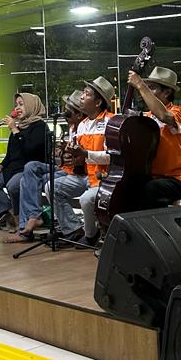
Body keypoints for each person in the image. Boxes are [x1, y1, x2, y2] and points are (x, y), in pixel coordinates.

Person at [6, 90, 87, 243]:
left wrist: (72, 156)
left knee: (26, 178)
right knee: (29, 172)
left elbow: (32, 151)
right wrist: (62, 153)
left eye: (68, 110)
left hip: (70, 173)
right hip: (60, 170)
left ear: (79, 114)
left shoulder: (40, 126)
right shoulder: (71, 130)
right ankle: (30, 222)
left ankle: (29, 223)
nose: (64, 112)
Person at [58, 76, 115, 248]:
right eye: (83, 92)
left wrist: (85, 153)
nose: (81, 96)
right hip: (90, 179)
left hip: (108, 179)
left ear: (98, 102)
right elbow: (81, 158)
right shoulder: (82, 125)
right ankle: (73, 229)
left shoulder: (111, 121)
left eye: (87, 94)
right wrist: (70, 153)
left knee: (85, 199)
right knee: (52, 186)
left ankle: (91, 235)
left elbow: (114, 156)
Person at [127, 66, 181, 206]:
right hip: (152, 176)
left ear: (167, 92)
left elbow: (163, 115)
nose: (146, 92)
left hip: (177, 178)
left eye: (152, 88)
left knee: (152, 189)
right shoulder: (146, 117)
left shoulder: (180, 112)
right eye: (147, 87)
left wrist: (140, 85)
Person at [0, 93, 47, 228]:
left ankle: (21, 218)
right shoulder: (19, 127)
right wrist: (0, 165)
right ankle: (11, 212)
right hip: (11, 168)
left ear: (31, 106)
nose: (17, 108)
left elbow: (30, 151)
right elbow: (10, 154)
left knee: (13, 186)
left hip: (27, 169)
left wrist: (14, 129)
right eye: (16, 104)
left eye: (21, 104)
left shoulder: (39, 126)